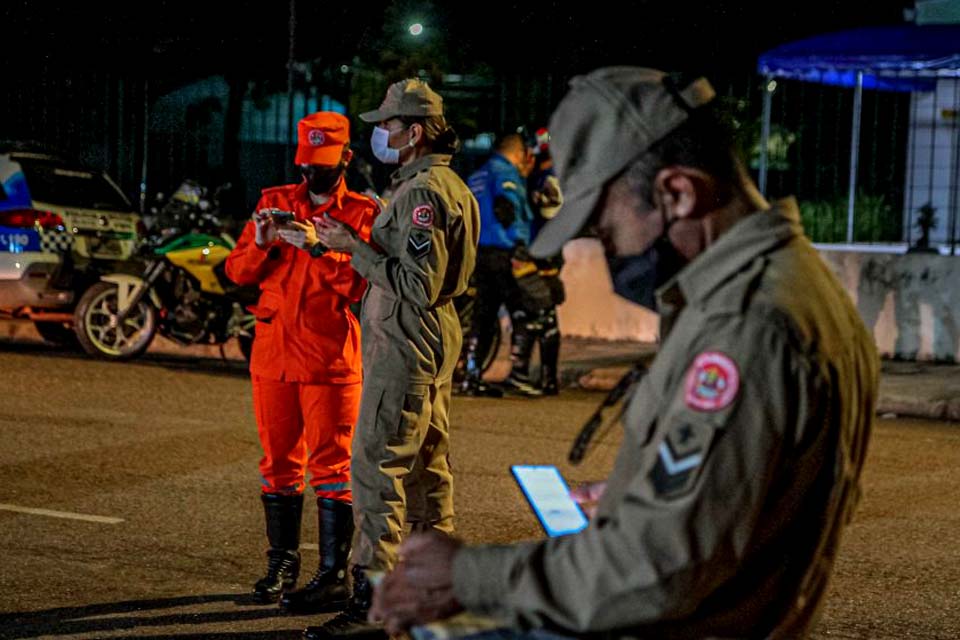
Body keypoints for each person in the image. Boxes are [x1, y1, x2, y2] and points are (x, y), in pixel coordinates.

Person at [368, 67, 879, 639]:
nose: (603, 247)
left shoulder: (746, 325)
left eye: (603, 225)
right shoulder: (800, 286)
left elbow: (655, 569)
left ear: (677, 192)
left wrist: (467, 573)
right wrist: (647, 493)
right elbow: (749, 497)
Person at [303, 78, 479, 639]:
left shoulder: (423, 193)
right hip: (429, 338)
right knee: (428, 469)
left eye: (388, 125)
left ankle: (372, 603)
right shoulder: (448, 185)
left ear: (415, 131)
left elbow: (416, 283)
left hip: (407, 337)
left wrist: (351, 247)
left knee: (378, 469)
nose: (380, 133)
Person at [224, 111, 378, 614]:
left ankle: (331, 573)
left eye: (323, 164)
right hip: (273, 355)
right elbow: (237, 270)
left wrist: (318, 249)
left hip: (329, 356)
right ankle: (281, 564)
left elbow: (356, 284)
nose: (311, 174)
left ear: (346, 159)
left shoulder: (360, 212)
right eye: (306, 163)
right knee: (277, 466)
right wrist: (264, 244)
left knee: (332, 468)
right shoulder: (274, 202)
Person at [461, 132, 543, 398]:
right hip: (505, 251)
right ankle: (519, 375)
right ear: (518, 153)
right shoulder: (505, 174)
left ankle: (471, 377)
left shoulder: (478, 175)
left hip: (479, 254)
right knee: (525, 309)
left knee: (483, 316)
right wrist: (520, 244)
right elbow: (508, 209)